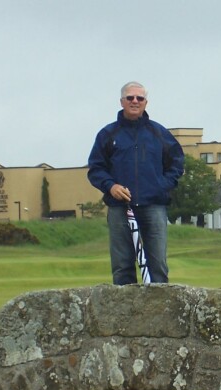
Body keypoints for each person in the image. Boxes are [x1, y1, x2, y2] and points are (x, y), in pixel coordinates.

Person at [87, 81, 185, 285]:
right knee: (122, 266)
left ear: (146, 102)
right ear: (121, 101)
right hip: (120, 208)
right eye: (130, 97)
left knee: (158, 265)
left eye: (139, 98)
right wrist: (111, 186)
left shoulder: (159, 133)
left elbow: (177, 163)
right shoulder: (107, 134)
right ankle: (124, 306)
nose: (135, 101)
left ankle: (158, 305)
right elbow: (96, 168)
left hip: (153, 207)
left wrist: (161, 185)